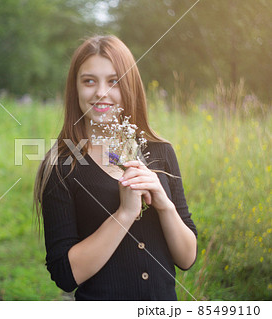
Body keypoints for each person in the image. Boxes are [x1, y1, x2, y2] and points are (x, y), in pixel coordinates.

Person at [33, 35, 198, 301]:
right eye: (89, 81)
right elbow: (65, 276)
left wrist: (164, 204)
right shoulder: (61, 166)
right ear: (75, 89)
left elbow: (187, 258)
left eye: (114, 81)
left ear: (130, 86)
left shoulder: (160, 151)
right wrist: (124, 214)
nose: (101, 92)